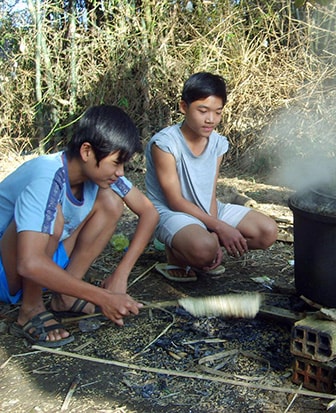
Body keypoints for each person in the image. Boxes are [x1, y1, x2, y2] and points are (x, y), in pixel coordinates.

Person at [0, 105, 159, 347]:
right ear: (87, 151)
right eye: (116, 163)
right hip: (7, 271)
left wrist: (121, 274)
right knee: (54, 219)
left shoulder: (101, 175)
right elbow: (29, 262)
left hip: (42, 264)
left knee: (110, 201)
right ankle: (30, 309)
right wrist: (103, 297)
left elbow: (149, 212)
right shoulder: (46, 176)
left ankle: (64, 296)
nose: (120, 172)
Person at [145, 72, 278, 281]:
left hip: (207, 208)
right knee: (204, 249)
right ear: (183, 107)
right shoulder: (165, 144)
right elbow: (175, 200)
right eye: (203, 110)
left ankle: (202, 251)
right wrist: (218, 228)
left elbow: (210, 192)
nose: (211, 120)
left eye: (218, 112)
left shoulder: (217, 143)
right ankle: (176, 253)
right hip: (170, 212)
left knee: (267, 231)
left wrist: (215, 234)